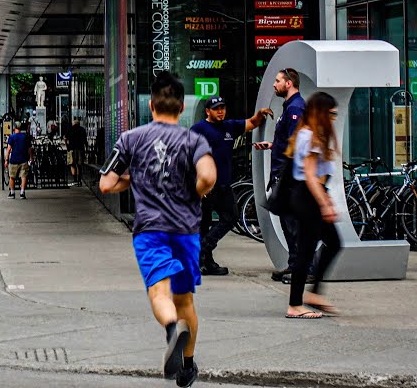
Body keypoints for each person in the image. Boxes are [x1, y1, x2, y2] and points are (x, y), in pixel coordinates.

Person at [99, 72, 216, 387]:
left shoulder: (130, 139)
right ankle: (188, 366)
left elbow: (106, 184)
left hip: (150, 230)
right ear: (181, 107)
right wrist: (195, 190)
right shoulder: (194, 140)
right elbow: (208, 176)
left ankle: (171, 329)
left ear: (151, 105)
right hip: (186, 230)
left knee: (159, 292)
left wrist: (135, 180)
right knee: (185, 299)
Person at [189, 96, 271, 275]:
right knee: (206, 222)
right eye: (216, 108)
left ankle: (204, 253)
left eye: (222, 108)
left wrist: (260, 114)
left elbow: (252, 123)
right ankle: (204, 258)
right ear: (207, 111)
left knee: (230, 217)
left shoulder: (230, 126)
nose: (220, 111)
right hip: (206, 185)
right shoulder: (199, 129)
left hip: (223, 184)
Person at [285, 92, 344, 319]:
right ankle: (295, 304)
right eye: (331, 113)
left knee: (328, 244)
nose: (334, 118)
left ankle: (313, 294)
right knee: (307, 251)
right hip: (308, 197)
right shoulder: (311, 137)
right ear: (320, 113)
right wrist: (324, 204)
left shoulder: (307, 134)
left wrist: (325, 200)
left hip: (308, 196)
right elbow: (311, 176)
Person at [255, 68, 306, 283]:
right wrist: (272, 145)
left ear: (289, 83)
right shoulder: (289, 107)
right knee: (287, 223)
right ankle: (294, 265)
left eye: (278, 81)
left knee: (293, 225)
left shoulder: (295, 108)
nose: (274, 85)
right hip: (283, 174)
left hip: (288, 177)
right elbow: (288, 142)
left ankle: (302, 269)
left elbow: (297, 145)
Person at [5, 123, 32, 198]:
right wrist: (31, 158)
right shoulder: (25, 137)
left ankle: (12, 193)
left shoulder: (12, 137)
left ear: (14, 128)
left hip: (14, 160)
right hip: (24, 159)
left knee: (12, 176)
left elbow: (9, 149)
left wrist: (6, 159)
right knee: (23, 176)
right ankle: (22, 193)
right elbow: (29, 149)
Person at [65, 117, 88, 186]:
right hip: (80, 149)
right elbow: (85, 140)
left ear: (73, 124)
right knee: (79, 165)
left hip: (72, 149)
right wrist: (86, 148)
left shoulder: (70, 129)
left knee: (72, 164)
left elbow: (66, 139)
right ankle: (79, 180)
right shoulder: (82, 129)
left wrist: (68, 147)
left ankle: (75, 179)